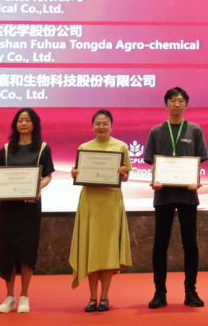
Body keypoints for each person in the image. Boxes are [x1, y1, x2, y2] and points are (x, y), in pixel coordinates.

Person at [145, 87, 208, 308]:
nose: (176, 104)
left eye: (181, 100)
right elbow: (153, 162)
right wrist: (156, 178)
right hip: (163, 194)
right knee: (160, 245)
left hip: (188, 194)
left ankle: (191, 291)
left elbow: (198, 161)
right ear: (166, 104)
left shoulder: (195, 130)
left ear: (186, 105)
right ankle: (159, 292)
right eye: (172, 100)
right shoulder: (156, 131)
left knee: (190, 244)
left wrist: (195, 179)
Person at [0, 108, 55, 313]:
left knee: (27, 249)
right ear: (15, 124)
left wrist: (37, 188)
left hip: (30, 205)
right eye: (20, 120)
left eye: (28, 120)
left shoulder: (43, 148)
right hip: (8, 207)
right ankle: (9, 296)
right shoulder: (6, 149)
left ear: (34, 124)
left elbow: (47, 176)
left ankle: (24, 295)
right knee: (8, 250)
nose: (24, 123)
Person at [69, 109, 133, 312]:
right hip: (90, 203)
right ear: (92, 126)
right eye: (98, 123)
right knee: (91, 249)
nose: (101, 127)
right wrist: (75, 173)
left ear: (111, 125)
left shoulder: (121, 146)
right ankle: (92, 297)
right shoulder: (84, 148)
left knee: (107, 250)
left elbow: (126, 177)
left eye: (105, 123)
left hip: (111, 204)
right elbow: (80, 174)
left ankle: (104, 297)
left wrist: (123, 173)